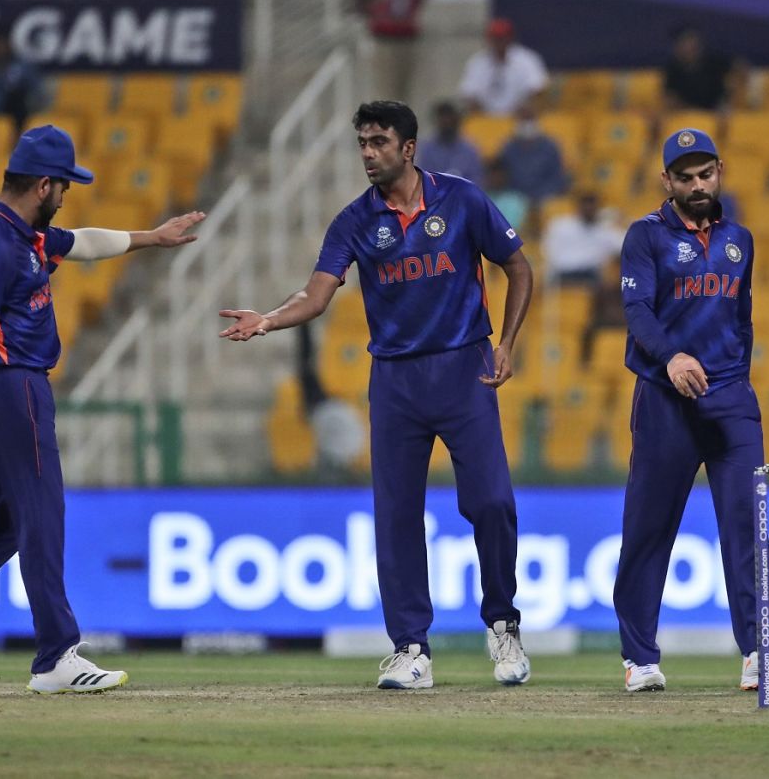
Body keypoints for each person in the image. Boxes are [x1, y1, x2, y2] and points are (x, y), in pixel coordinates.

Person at [0, 125, 205, 694]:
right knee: (43, 515)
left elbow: (85, 242)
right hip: (12, 387)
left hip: (20, 387)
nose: (67, 197)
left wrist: (153, 237)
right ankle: (56, 655)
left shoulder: (25, 235)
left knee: (9, 523)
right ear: (44, 185)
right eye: (65, 188)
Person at [218, 101, 534, 690]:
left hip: (465, 368)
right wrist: (266, 320)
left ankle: (502, 625)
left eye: (379, 142)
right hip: (394, 381)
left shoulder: (462, 199)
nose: (368, 152)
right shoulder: (354, 221)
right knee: (395, 517)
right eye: (362, 142)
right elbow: (315, 298)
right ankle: (411, 647)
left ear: (408, 148)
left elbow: (518, 266)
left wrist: (508, 343)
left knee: (492, 503)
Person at [613, 128, 769, 692]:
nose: (696, 185)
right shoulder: (645, 236)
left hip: (731, 400)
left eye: (705, 174)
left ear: (720, 171)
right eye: (684, 177)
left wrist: (732, 377)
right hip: (666, 400)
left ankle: (759, 650)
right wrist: (671, 358)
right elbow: (637, 311)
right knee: (648, 528)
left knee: (747, 526)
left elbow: (742, 318)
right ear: (666, 180)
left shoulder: (741, 238)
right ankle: (640, 658)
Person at [458, 18, 548, 116]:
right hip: (485, 119)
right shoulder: (477, 62)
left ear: (511, 38)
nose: (498, 41)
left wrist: (526, 106)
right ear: (489, 39)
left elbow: (538, 90)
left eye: (502, 37)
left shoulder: (527, 60)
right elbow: (468, 92)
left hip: (518, 118)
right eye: (495, 38)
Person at [541, 190, 625, 287]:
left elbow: (626, 245)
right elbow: (547, 250)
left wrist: (619, 220)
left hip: (591, 274)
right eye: (585, 206)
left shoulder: (604, 230)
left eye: (591, 207)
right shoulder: (560, 226)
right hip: (564, 273)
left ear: (597, 209)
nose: (588, 209)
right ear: (578, 207)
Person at [496, 103, 569, 203]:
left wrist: (541, 195)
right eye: (523, 119)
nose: (526, 124)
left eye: (529, 119)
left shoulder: (550, 147)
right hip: (515, 198)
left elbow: (557, 178)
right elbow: (502, 177)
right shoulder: (508, 147)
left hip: (545, 197)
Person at [662, 27, 733, 112]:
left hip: (717, 114)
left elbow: (739, 68)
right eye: (684, 44)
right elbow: (670, 98)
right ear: (677, 48)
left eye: (693, 44)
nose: (690, 48)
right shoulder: (672, 70)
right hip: (688, 115)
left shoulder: (714, 62)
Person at [417, 100, 484, 185]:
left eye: (449, 119)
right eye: (443, 119)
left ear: (457, 121)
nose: (447, 122)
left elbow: (476, 180)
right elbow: (423, 179)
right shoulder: (427, 149)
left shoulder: (470, 149)